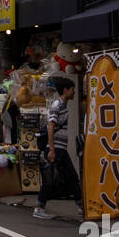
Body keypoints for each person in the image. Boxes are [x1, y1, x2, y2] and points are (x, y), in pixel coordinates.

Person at [35, 77, 83, 221]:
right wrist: (52, 149)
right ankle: (39, 208)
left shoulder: (63, 104)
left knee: (71, 177)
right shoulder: (57, 105)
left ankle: (81, 206)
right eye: (72, 89)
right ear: (66, 90)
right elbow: (51, 126)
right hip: (55, 148)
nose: (74, 92)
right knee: (51, 180)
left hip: (60, 148)